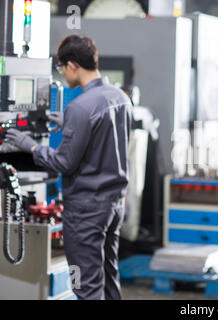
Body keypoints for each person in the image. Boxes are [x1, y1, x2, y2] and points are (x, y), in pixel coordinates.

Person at [5, 35, 132, 300]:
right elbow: (102, 135)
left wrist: (29, 144)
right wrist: (68, 122)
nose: (62, 74)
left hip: (86, 209)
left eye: (62, 67)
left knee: (85, 284)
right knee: (108, 276)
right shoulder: (120, 98)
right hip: (115, 203)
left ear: (72, 65)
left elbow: (63, 162)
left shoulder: (80, 107)